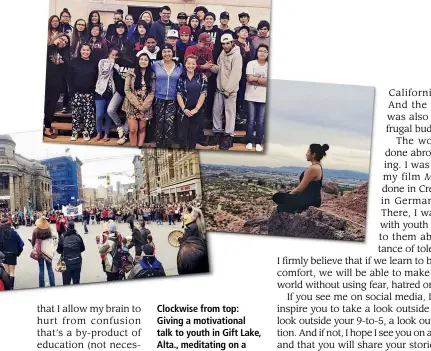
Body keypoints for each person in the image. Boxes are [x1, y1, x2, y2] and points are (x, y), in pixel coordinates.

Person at [273, 144, 330, 213]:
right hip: (312, 199)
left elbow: (299, 189)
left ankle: (294, 208)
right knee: (285, 196)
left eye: (308, 152)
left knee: (277, 196)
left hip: (308, 200)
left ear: (313, 154)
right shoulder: (317, 167)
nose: (306, 154)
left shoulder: (313, 168)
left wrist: (289, 194)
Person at [209, 33, 242, 150]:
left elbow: (236, 75)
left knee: (229, 113)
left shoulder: (237, 56)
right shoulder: (222, 53)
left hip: (230, 91)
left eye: (228, 43)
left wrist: (228, 90)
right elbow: (219, 68)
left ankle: (228, 136)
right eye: (223, 43)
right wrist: (211, 67)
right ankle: (217, 134)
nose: (225, 46)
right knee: (216, 112)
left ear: (232, 43)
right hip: (219, 88)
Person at [152, 43, 184, 147]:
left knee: (169, 124)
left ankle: (167, 146)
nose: (167, 54)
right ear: (161, 53)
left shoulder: (179, 66)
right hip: (159, 98)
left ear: (172, 52)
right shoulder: (156, 65)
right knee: (159, 123)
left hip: (173, 99)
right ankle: (158, 146)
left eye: (169, 51)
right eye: (164, 52)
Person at [122, 52, 155, 147]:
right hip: (132, 104)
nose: (143, 61)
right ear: (138, 60)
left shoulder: (152, 74)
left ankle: (139, 147)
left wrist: (144, 106)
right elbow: (127, 90)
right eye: (141, 59)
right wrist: (137, 104)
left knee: (142, 128)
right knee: (133, 130)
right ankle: (134, 150)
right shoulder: (131, 72)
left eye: (146, 59)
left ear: (149, 62)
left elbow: (152, 91)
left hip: (145, 106)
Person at [176, 55, 208, 149]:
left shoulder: (201, 77)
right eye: (188, 63)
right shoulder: (181, 77)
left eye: (193, 63)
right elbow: (178, 94)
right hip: (183, 110)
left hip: (196, 110)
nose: (191, 66)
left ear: (196, 65)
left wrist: (196, 109)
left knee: (193, 135)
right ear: (185, 64)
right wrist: (184, 109)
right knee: (182, 136)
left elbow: (203, 93)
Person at [68, 43, 98, 141]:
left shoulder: (94, 63)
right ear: (80, 51)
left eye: (87, 50)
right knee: (76, 113)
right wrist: (71, 91)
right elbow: (70, 78)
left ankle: (86, 132)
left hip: (89, 93)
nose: (85, 52)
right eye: (83, 50)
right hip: (76, 92)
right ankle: (75, 131)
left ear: (90, 51)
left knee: (88, 113)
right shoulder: (74, 62)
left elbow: (96, 78)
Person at [44, 33, 70, 139]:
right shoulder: (49, 48)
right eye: (61, 39)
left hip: (56, 85)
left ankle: (47, 129)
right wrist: (54, 45)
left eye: (65, 42)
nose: (63, 42)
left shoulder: (65, 54)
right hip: (46, 82)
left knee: (51, 107)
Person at [245, 44, 268, 152]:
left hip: (263, 97)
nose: (262, 53)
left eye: (264, 51)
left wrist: (256, 79)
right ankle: (249, 141)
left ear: (267, 54)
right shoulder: (251, 63)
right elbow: (249, 79)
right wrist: (262, 82)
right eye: (260, 51)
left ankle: (258, 142)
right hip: (250, 96)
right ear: (257, 52)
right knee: (250, 120)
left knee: (260, 121)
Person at [95, 47, 119, 142]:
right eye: (112, 55)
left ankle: (106, 134)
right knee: (99, 115)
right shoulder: (102, 61)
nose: (114, 57)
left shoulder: (117, 64)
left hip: (111, 92)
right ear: (109, 54)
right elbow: (104, 73)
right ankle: (98, 132)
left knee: (108, 114)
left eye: (116, 55)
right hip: (100, 91)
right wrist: (112, 63)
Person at [234, 26, 252, 119]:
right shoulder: (233, 43)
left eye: (246, 31)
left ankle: (239, 113)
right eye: (242, 31)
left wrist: (248, 52)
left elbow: (249, 61)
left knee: (241, 93)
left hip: (243, 72)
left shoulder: (249, 44)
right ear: (238, 33)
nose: (245, 33)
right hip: (233, 72)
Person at [0, 217, 23, 290]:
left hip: (3, 255)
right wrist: (17, 252)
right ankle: (11, 287)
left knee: (6, 272)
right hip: (12, 254)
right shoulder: (14, 233)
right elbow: (21, 244)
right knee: (12, 272)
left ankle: (7, 288)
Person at [32, 217, 55, 288]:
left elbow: (33, 242)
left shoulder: (36, 231)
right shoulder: (49, 230)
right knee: (50, 268)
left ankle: (41, 286)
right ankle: (52, 284)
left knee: (41, 269)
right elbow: (52, 239)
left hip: (40, 252)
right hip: (48, 251)